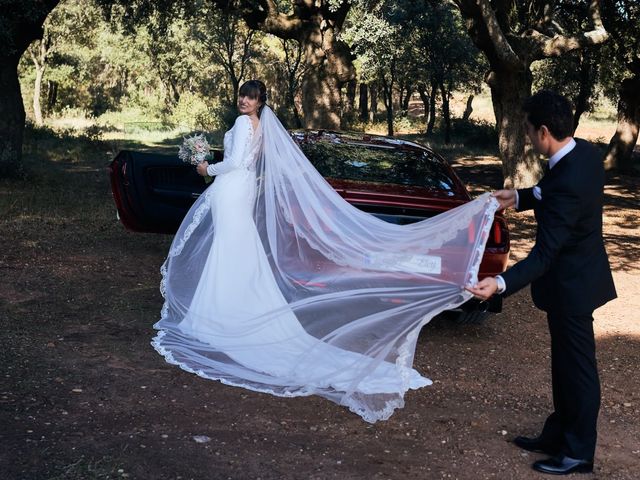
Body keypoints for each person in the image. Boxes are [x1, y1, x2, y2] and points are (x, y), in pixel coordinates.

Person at [152, 79, 501, 423]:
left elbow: (235, 162)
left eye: (251, 97)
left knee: (229, 251)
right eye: (243, 95)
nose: (244, 101)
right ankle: (228, 309)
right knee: (235, 251)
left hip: (232, 187)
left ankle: (220, 315)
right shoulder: (260, 124)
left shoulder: (244, 123)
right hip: (239, 191)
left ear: (260, 102)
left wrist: (205, 168)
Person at [467, 91, 616, 475]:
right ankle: (558, 435)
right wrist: (517, 196)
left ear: (544, 131)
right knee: (564, 366)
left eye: (530, 131)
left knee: (578, 372)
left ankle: (579, 452)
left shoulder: (567, 176)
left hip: (573, 288)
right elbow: (551, 189)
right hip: (577, 279)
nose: (529, 137)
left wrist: (498, 284)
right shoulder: (582, 154)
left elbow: (543, 257)